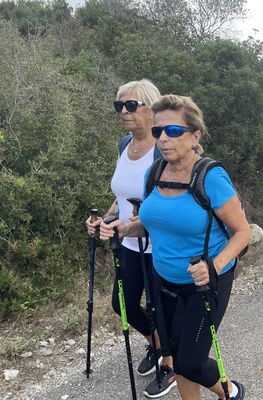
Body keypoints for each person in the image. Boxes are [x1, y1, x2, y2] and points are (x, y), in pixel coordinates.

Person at [99, 94, 250, 400]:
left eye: (173, 131)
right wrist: (125, 227)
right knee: (173, 355)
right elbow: (151, 222)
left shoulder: (211, 177)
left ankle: (231, 391)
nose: (163, 138)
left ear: (195, 137)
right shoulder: (153, 173)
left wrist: (214, 266)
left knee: (189, 361)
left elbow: (242, 232)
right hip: (162, 280)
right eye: (158, 131)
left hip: (205, 282)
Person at [85, 79, 177, 398]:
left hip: (158, 246)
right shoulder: (124, 145)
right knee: (120, 303)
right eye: (119, 106)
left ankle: (171, 364)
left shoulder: (163, 149)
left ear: (151, 108)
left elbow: (173, 199)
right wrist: (106, 218)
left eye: (131, 105)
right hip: (127, 243)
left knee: (160, 309)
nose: (123, 112)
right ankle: (156, 344)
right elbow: (121, 195)